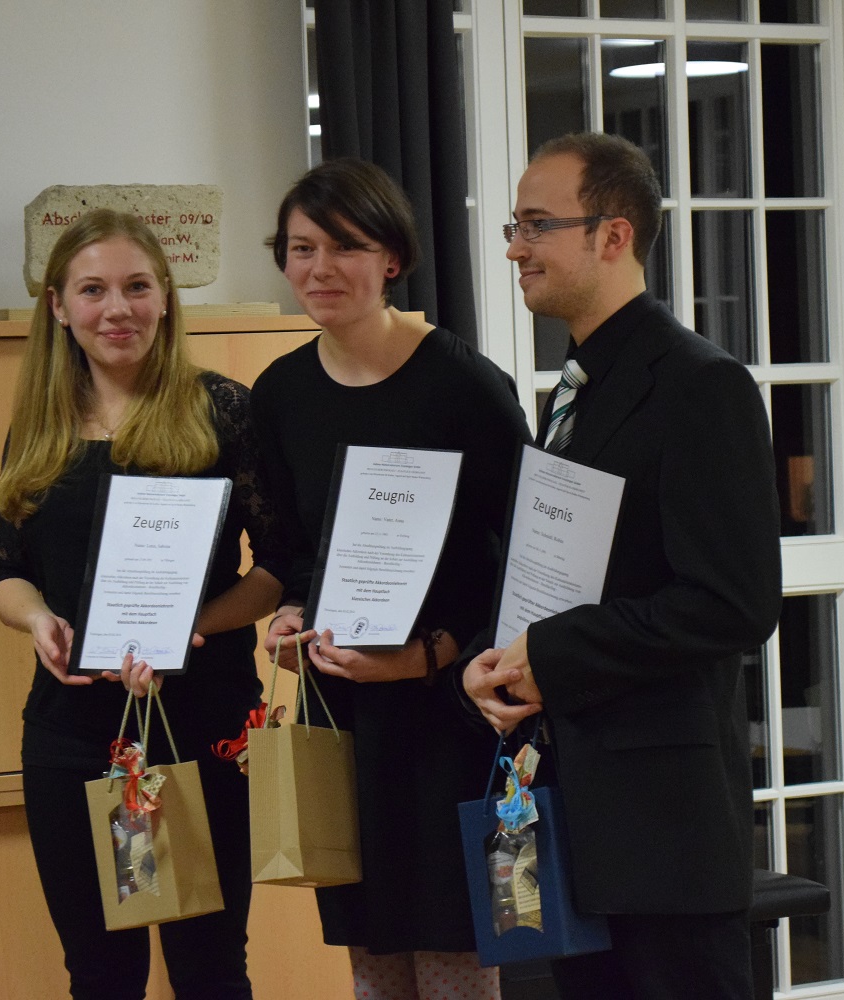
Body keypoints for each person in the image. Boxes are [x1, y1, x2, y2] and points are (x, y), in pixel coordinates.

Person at [462, 132, 784, 999]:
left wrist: (551, 654)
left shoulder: (700, 384)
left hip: (666, 825)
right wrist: (505, 663)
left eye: (537, 226)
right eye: (514, 226)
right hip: (578, 801)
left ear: (614, 235)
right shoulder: (581, 384)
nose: (515, 249)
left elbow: (732, 603)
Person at [0, 208, 287, 999]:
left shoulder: (223, 410)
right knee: (100, 974)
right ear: (59, 306)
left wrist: (192, 628)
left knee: (209, 969)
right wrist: (37, 620)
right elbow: (5, 571)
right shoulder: (39, 426)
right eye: (93, 290)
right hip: (71, 734)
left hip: (201, 722)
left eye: (137, 287)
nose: (116, 309)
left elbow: (278, 569)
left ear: (165, 298)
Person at [250, 158, 530, 1000]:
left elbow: (524, 557)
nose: (320, 269)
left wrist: (430, 655)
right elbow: (293, 550)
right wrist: (291, 615)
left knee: (453, 952)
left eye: (346, 246)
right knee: (371, 955)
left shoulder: (464, 385)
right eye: (302, 249)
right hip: (344, 711)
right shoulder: (281, 393)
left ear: (392, 259)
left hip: (451, 709)